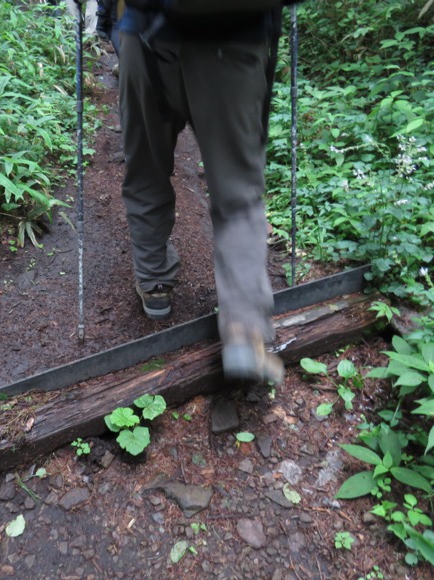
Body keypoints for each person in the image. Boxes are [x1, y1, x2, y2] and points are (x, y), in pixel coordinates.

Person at [118, 0, 297, 385]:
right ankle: (245, 331)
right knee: (237, 196)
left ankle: (155, 286)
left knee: (147, 170)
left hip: (146, 40)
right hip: (233, 42)